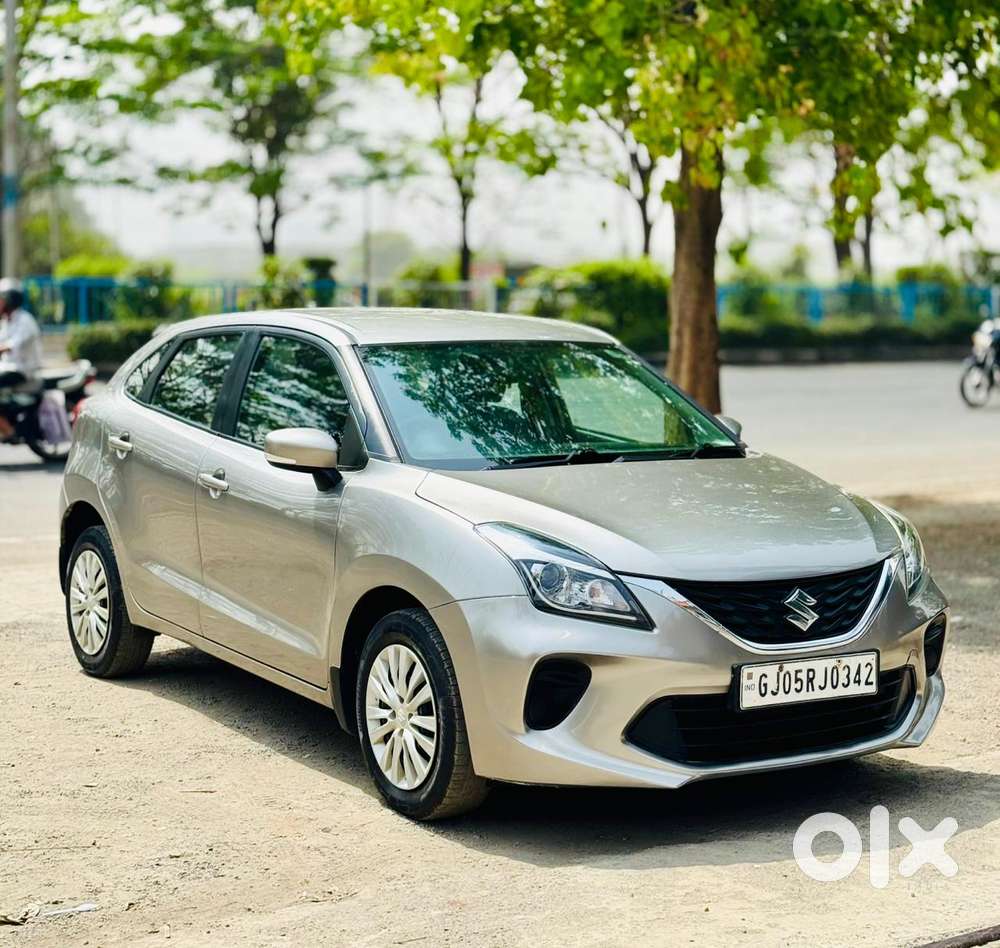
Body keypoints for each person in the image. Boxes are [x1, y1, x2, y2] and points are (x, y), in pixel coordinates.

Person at [0, 278, 43, 440]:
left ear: (9, 300)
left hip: (22, 371)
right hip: (8, 368)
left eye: (1, 299)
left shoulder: (25, 320)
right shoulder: (7, 322)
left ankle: (9, 432)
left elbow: (12, 345)